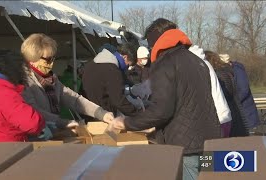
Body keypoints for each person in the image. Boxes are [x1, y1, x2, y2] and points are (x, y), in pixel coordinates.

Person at [110, 18, 222, 180]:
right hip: (209, 141)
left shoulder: (165, 63)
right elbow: (185, 103)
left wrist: (127, 122)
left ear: (155, 42)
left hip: (186, 149)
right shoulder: (196, 61)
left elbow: (161, 110)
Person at [21, 33, 114, 140]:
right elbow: (34, 111)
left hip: (53, 133)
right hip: (35, 138)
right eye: (48, 59)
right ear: (33, 58)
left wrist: (101, 113)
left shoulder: (52, 79)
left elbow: (74, 99)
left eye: (53, 58)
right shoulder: (24, 81)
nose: (51, 63)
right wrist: (63, 122)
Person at [0, 50, 45, 143]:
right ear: (13, 70)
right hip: (6, 151)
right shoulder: (5, 93)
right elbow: (32, 124)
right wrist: (43, 123)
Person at [82, 43, 140, 116]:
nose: (127, 68)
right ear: (125, 57)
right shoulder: (113, 71)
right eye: (128, 65)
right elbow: (119, 101)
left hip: (87, 111)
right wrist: (137, 114)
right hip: (104, 115)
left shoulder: (91, 64)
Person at [189, 46, 232, 137]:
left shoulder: (197, 66)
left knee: (213, 150)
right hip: (222, 115)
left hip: (217, 118)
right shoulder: (204, 64)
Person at [205, 51, 249, 137]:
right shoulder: (226, 72)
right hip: (236, 113)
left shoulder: (219, 75)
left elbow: (225, 94)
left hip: (229, 116)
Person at [219, 54, 260, 129]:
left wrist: (232, 102)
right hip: (239, 112)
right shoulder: (229, 71)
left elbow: (244, 90)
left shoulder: (237, 69)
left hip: (246, 113)